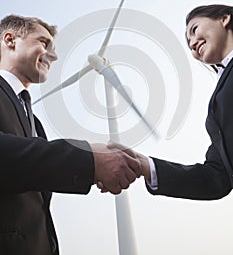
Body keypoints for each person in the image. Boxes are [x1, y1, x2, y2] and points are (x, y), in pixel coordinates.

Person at [0, 14, 141, 255]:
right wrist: (87, 159)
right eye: (44, 43)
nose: (53, 56)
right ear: (10, 40)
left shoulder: (35, 123)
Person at [104, 4, 233, 200]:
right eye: (188, 41)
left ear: (224, 19)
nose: (192, 43)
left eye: (194, 29)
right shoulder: (216, 107)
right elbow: (216, 179)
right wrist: (146, 165)